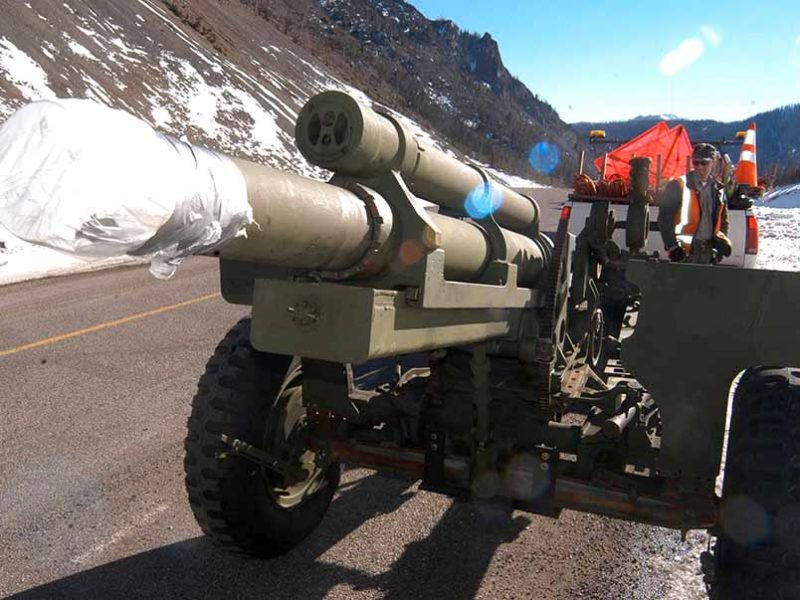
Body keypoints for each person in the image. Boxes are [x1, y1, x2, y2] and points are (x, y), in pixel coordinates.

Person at [658, 143, 732, 264]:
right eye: (695, 162)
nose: (699, 166)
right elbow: (664, 219)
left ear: (713, 163)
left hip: (708, 252)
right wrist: (672, 247)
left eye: (704, 162)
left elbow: (723, 221)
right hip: (684, 253)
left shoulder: (719, 189)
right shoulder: (678, 185)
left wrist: (720, 246)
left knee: (706, 283)